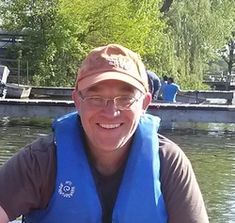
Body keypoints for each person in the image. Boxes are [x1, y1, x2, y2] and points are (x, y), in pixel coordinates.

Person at [0, 44, 209, 223]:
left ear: (145, 103)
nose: (111, 112)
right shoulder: (41, 160)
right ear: (77, 101)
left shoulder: (168, 162)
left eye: (125, 99)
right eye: (95, 98)